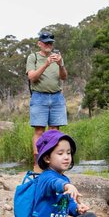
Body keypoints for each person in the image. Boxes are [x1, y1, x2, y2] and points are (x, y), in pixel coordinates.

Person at [25, 129, 108, 217]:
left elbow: (66, 204)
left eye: (68, 153)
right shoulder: (45, 178)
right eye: (60, 153)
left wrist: (77, 209)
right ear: (47, 158)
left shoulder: (64, 177)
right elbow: (54, 184)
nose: (66, 157)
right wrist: (67, 186)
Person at [26, 30, 68, 170]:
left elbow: (63, 77)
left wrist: (61, 64)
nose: (48, 45)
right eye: (45, 42)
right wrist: (46, 64)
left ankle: (53, 163)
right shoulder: (33, 58)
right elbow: (32, 77)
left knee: (55, 130)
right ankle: (38, 164)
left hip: (56, 97)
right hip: (39, 97)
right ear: (39, 44)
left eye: (50, 42)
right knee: (39, 131)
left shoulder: (58, 58)